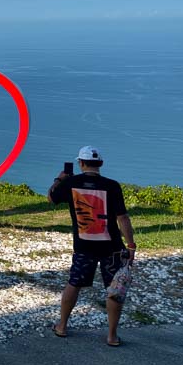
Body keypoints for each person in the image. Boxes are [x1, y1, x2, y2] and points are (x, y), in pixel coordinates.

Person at [48, 146, 136, 346]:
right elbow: (122, 218)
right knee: (113, 289)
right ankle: (112, 336)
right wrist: (131, 245)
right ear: (101, 164)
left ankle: (62, 326)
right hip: (111, 247)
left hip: (83, 245)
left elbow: (51, 198)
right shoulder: (112, 186)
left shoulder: (71, 183)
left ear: (80, 163)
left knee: (74, 283)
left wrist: (60, 178)